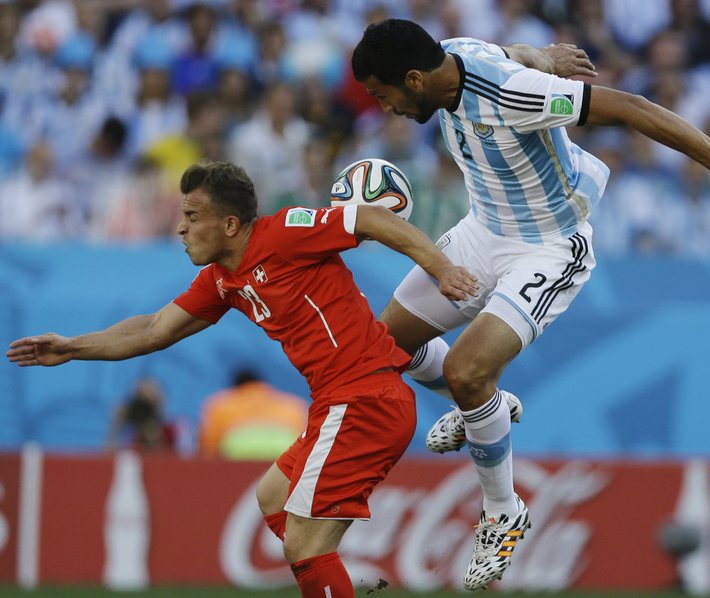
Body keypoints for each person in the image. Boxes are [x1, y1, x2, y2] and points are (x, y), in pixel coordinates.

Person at [350, 18, 710, 591]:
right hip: (482, 231)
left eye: (384, 96)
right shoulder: (457, 53)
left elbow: (629, 106)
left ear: (414, 79)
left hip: (546, 247)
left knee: (466, 369)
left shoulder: (509, 94)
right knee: (383, 346)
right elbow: (511, 49)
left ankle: (503, 512)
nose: (386, 109)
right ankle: (485, 408)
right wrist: (543, 53)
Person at [6, 160, 478, 598]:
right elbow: (153, 330)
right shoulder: (219, 281)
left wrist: (442, 270)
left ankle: (325, 568)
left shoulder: (285, 234)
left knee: (304, 547)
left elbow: (370, 219)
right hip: (337, 404)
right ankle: (333, 577)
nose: (179, 227)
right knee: (272, 497)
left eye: (191, 215)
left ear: (230, 225)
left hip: (363, 400)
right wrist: (71, 347)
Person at [198, 367, 308, 460]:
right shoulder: (294, 404)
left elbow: (208, 447)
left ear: (234, 387)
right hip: (284, 450)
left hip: (238, 453)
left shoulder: (220, 404)